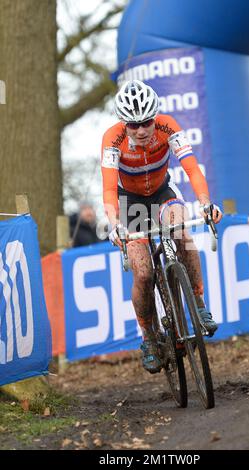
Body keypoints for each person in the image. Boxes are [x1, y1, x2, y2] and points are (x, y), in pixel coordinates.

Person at [101, 80, 222, 373]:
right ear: (123, 124)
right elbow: (107, 189)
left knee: (182, 231)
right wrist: (115, 223)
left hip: (163, 192)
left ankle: (198, 302)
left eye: (147, 122)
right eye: (133, 125)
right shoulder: (112, 139)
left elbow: (192, 168)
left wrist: (206, 203)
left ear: (155, 117)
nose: (141, 130)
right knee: (143, 273)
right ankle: (150, 337)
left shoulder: (168, 127)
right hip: (129, 202)